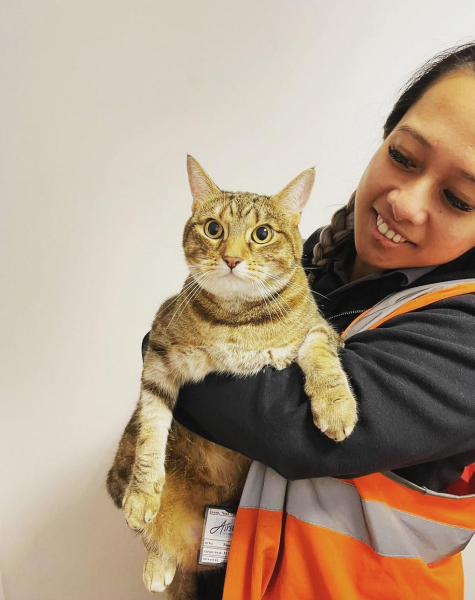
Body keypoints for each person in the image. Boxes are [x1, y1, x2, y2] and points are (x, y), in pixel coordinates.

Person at [146, 43, 475, 599]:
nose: (405, 203)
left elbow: (297, 431)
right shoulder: (312, 257)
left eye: (458, 198)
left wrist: (174, 353)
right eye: (404, 157)